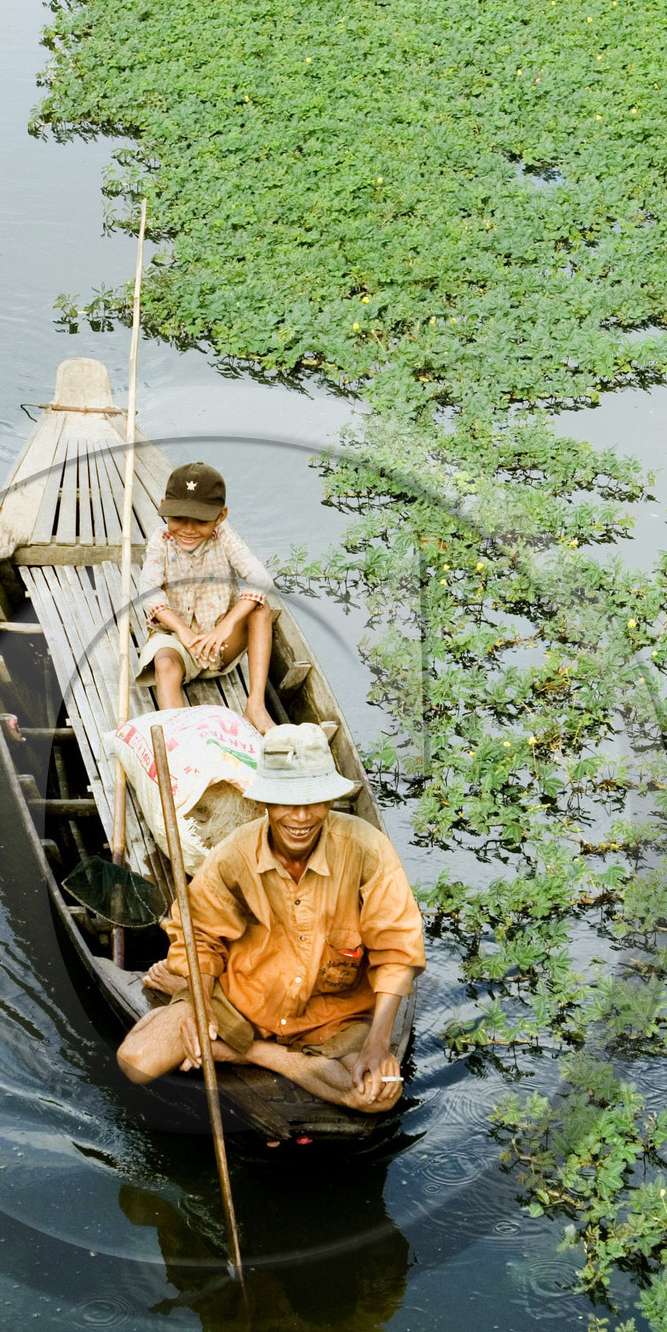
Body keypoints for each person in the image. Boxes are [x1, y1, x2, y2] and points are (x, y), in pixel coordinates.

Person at [116, 723, 425, 1113]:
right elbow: (199, 938)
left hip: (334, 1018)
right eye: (286, 801)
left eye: (313, 801)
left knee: (377, 1095)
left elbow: (397, 952)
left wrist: (379, 1045)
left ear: (330, 802)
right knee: (136, 1062)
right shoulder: (234, 855)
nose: (300, 817)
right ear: (266, 803)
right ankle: (199, 1010)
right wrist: (201, 1007)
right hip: (243, 1002)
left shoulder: (367, 850)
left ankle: (248, 1053)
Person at [134, 459, 278, 735]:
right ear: (164, 507)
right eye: (178, 518)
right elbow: (149, 592)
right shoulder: (160, 540)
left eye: (200, 521)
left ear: (220, 516)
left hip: (220, 645)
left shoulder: (224, 536)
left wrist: (225, 627)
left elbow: (262, 580)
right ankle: (181, 733)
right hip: (177, 640)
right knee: (165, 664)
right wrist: (184, 632)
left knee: (261, 608)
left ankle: (256, 706)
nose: (188, 529)